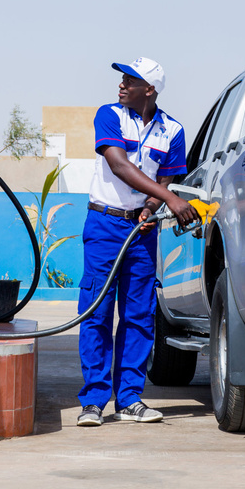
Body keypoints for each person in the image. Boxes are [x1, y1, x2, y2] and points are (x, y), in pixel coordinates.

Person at [76, 57, 199, 427]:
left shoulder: (172, 130)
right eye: (122, 78)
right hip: (104, 224)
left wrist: (152, 205)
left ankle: (129, 398)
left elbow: (166, 179)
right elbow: (120, 166)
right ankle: (94, 401)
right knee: (97, 312)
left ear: (150, 89)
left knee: (139, 316)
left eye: (130, 80)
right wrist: (173, 201)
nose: (121, 85)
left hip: (141, 233)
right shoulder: (109, 115)